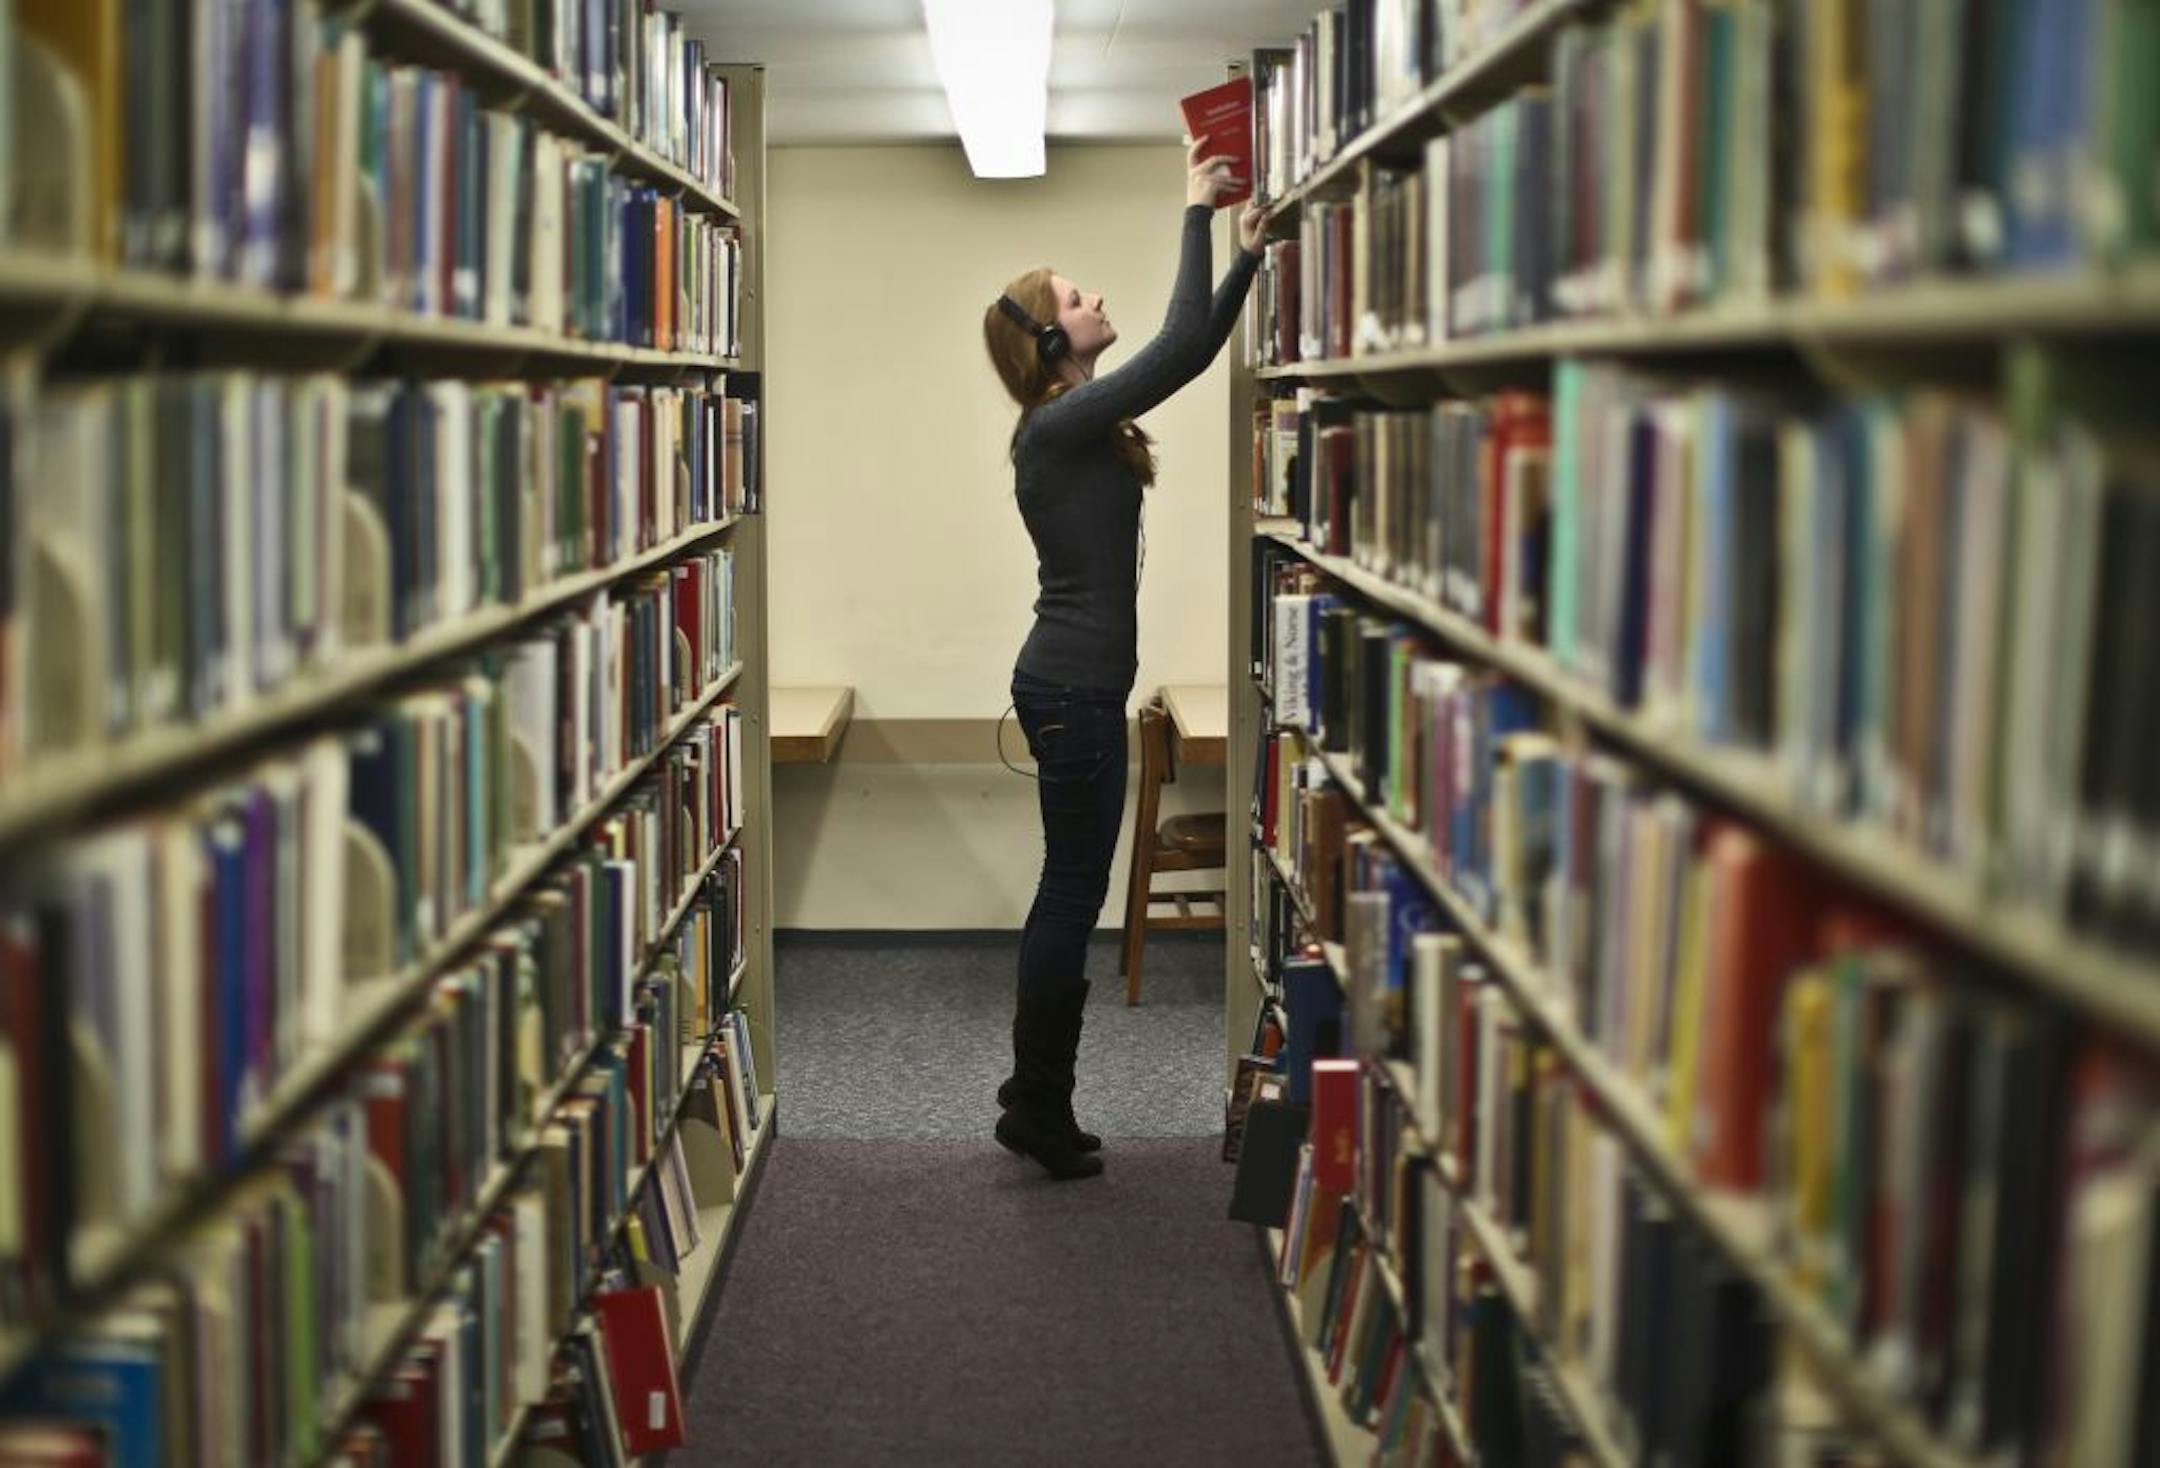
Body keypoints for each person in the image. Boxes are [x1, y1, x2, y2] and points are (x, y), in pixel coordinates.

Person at [980, 139, 1266, 1180]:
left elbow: (1188, 343)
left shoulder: (1075, 422)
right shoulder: (1056, 425)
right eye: (1075, 293)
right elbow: (1185, 345)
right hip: (1071, 688)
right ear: (1048, 335)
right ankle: (1036, 1106)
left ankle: (1033, 1099)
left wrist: (1246, 258)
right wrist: (1197, 212)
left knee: (1069, 885)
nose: (1097, 297)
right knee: (1070, 890)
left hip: (1068, 684)